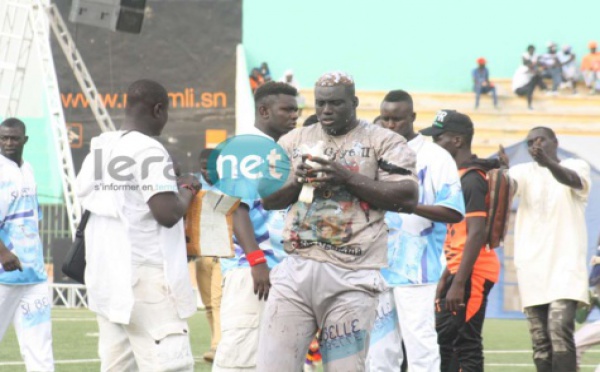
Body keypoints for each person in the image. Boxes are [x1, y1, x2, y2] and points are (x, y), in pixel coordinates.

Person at [257, 71, 419, 371]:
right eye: (320, 104)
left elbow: (408, 197)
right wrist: (298, 182)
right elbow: (268, 198)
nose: (326, 111)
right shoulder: (294, 139)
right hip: (296, 269)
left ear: (354, 102)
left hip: (353, 274)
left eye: (335, 103)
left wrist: (344, 176)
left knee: (344, 368)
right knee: (273, 366)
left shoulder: (383, 141)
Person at [76, 79, 200, 371]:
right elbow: (167, 214)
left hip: (108, 276)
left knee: (118, 366)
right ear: (159, 110)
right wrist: (188, 190)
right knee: (171, 365)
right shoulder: (150, 150)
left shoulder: (102, 148)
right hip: (147, 279)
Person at [366, 91, 465, 372]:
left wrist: (409, 206)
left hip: (417, 271)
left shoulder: (435, 157)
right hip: (375, 269)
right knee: (379, 351)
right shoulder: (372, 153)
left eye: (397, 119)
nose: (390, 125)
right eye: (385, 119)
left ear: (412, 118)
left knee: (420, 347)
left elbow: (453, 211)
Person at [212, 81, 299, 372]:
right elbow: (236, 208)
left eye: (296, 110)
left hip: (278, 270)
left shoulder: (275, 150)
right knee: (241, 362)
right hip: (251, 271)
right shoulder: (244, 149)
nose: (294, 116)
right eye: (287, 109)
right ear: (263, 110)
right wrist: (256, 260)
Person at [498, 127, 591, 372]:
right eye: (530, 142)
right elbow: (506, 188)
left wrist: (548, 163)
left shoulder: (576, 165)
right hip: (531, 268)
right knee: (540, 342)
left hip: (566, 267)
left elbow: (573, 181)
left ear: (555, 142)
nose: (535, 145)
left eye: (541, 139)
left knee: (560, 333)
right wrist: (501, 173)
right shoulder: (523, 172)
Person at [422, 110, 501, 372]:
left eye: (439, 138)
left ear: (457, 140)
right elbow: (461, 234)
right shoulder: (462, 176)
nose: (435, 144)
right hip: (461, 270)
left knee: (465, 342)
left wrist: (458, 282)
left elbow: (476, 233)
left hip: (474, 272)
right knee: (446, 341)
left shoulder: (471, 180)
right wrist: (449, 274)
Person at [0, 118, 54, 371]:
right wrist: (3, 253)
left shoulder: (28, 169)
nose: (9, 142)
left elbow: (33, 219)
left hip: (33, 276)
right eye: (4, 137)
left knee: (40, 349)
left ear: (25, 140)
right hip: (3, 276)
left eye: (14, 138)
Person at [193, 148, 223, 363]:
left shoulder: (229, 186)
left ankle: (218, 346)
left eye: (211, 169)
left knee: (218, 300)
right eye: (204, 169)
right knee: (209, 304)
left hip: (223, 252)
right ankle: (215, 342)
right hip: (202, 252)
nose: (207, 173)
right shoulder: (194, 186)